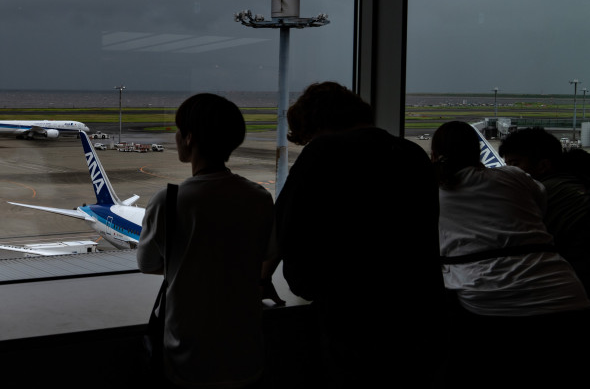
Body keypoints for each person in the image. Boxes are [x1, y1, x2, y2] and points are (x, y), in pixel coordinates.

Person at [273, 81, 442, 388]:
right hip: (418, 306)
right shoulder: (412, 153)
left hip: (354, 313)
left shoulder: (325, 150)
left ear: (318, 125)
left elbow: (286, 226)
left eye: (308, 136)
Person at [432, 121, 589, 388]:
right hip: (567, 295)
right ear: (477, 152)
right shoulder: (515, 177)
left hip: (493, 306)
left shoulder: (433, 191)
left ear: (435, 155)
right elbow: (539, 209)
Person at [137, 93, 273, 388]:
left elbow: (147, 264)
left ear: (189, 138)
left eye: (178, 130)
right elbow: (262, 254)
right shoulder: (259, 197)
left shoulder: (168, 201)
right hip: (246, 353)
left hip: (188, 356)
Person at [498, 126, 590, 288]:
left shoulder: (541, 193)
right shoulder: (573, 184)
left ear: (543, 166)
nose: (507, 172)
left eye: (514, 164)